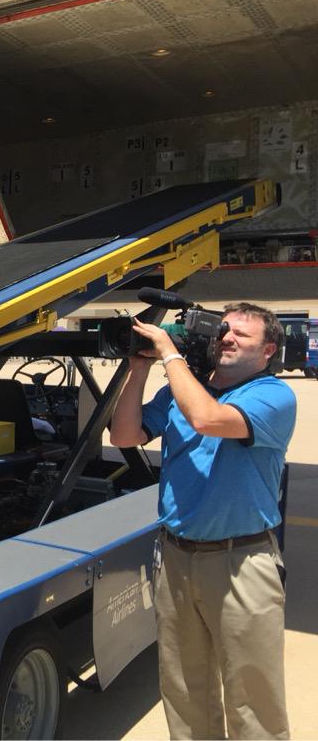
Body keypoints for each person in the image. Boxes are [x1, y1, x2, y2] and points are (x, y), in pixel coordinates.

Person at [109, 303, 296, 740]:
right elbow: (123, 435)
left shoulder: (272, 395)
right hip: (176, 556)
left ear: (268, 350)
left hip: (241, 561)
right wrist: (138, 368)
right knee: (185, 688)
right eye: (224, 330)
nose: (227, 338)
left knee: (253, 696)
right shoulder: (183, 389)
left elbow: (207, 419)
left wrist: (169, 354)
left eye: (241, 335)